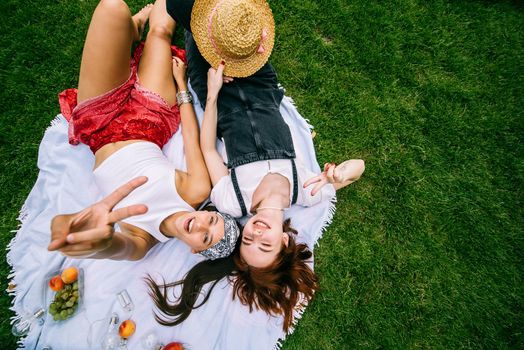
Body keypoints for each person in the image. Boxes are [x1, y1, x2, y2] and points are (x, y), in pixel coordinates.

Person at [146, 0, 365, 332]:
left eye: (248, 242)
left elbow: (207, 147)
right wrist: (339, 174)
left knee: (185, 9)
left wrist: (215, 92)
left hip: (215, 86)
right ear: (285, 242)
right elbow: (359, 167)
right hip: (259, 82)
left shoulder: (233, 201)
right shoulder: (307, 192)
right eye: (266, 244)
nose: (256, 233)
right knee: (233, 20)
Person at [47, 0, 240, 261]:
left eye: (205, 237)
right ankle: (136, 28)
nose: (201, 224)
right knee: (159, 32)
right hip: (148, 118)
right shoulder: (196, 191)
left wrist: (98, 243)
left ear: (195, 250)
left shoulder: (141, 239)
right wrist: (181, 85)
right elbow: (191, 137)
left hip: (98, 123)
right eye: (212, 219)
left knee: (111, 8)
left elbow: (119, 248)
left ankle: (131, 29)